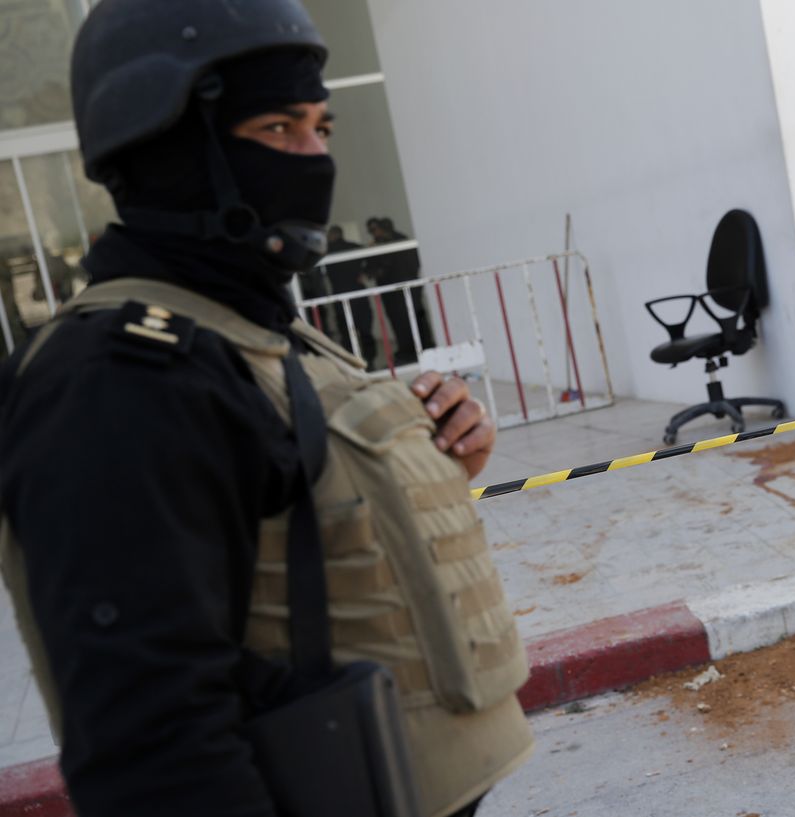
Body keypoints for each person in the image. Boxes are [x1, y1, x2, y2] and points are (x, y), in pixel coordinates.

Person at [0, 2, 533, 817]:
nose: (316, 158)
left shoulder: (246, 327)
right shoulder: (119, 374)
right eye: (279, 127)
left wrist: (435, 456)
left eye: (322, 125)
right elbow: (153, 740)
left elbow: (306, 543)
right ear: (167, 148)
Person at [363, 216, 434, 364]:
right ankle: (419, 349)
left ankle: (413, 351)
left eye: (374, 229)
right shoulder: (399, 240)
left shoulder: (390, 243)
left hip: (399, 290)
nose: (372, 233)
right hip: (404, 289)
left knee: (406, 320)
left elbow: (380, 268)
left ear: (382, 229)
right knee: (409, 319)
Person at [321, 224, 376, 361]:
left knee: (346, 330)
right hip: (358, 292)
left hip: (339, 294)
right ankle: (370, 358)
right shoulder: (355, 247)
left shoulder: (327, 250)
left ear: (333, 235)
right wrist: (365, 273)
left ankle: (351, 359)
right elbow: (372, 259)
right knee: (365, 328)